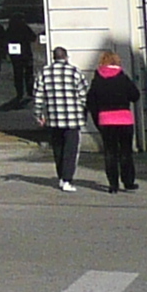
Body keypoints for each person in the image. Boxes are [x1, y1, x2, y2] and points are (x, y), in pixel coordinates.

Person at [31, 45, 87, 192]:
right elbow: (83, 95)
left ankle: (61, 176)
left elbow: (38, 96)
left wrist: (39, 115)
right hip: (73, 119)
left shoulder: (44, 72)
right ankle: (67, 179)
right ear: (66, 57)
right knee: (71, 150)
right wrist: (83, 112)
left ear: (54, 58)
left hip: (54, 119)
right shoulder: (75, 72)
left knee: (58, 149)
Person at [87, 49, 144, 193]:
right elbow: (135, 96)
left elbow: (90, 102)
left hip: (106, 121)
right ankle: (128, 181)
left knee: (110, 153)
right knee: (125, 152)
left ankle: (113, 184)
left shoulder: (97, 80)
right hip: (124, 119)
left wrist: (97, 118)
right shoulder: (123, 78)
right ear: (116, 62)